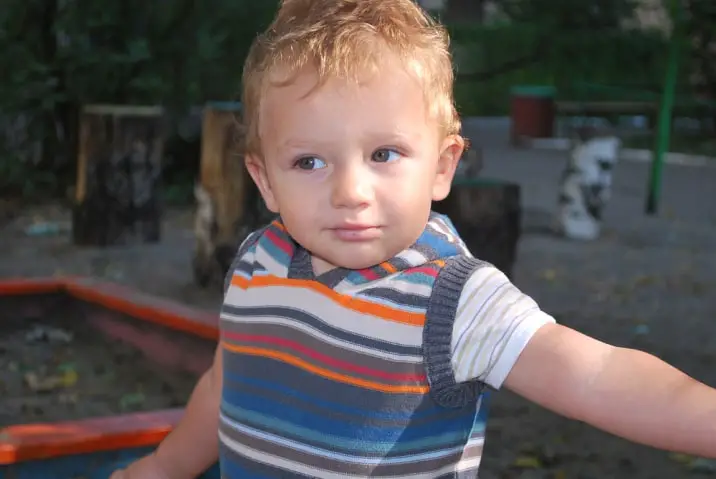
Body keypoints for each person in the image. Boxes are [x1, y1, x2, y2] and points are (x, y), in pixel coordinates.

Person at [112, 0, 716, 477]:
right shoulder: (255, 263)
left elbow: (597, 374)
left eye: (384, 153)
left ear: (443, 166)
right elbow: (225, 383)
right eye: (310, 163)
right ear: (264, 179)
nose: (351, 190)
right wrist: (166, 466)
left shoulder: (454, 301)